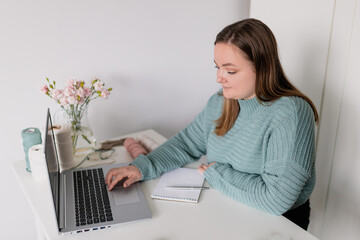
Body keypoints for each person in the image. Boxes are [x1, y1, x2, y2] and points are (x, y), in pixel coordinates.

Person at [105, 18, 318, 230]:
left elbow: (276, 200)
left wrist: (216, 173)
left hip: (277, 225)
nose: (219, 78)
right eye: (217, 67)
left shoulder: (291, 114)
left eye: (230, 70)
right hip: (229, 208)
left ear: (262, 67)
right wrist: (140, 168)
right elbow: (186, 144)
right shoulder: (222, 101)